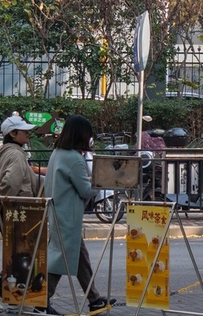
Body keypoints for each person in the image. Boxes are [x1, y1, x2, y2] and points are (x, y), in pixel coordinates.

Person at [41, 115, 114, 315]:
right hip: (69, 215)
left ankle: (95, 298)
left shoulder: (57, 153)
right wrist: (103, 181)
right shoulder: (74, 158)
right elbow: (85, 190)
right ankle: (41, 299)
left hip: (57, 211)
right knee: (60, 258)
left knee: (80, 257)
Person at [0, 113, 43, 310]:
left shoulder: (7, 151)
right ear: (13, 134)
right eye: (24, 131)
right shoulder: (16, 154)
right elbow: (9, 184)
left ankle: (12, 299)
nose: (28, 134)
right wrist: (13, 206)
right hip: (18, 211)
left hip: (9, 211)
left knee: (20, 255)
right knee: (25, 255)